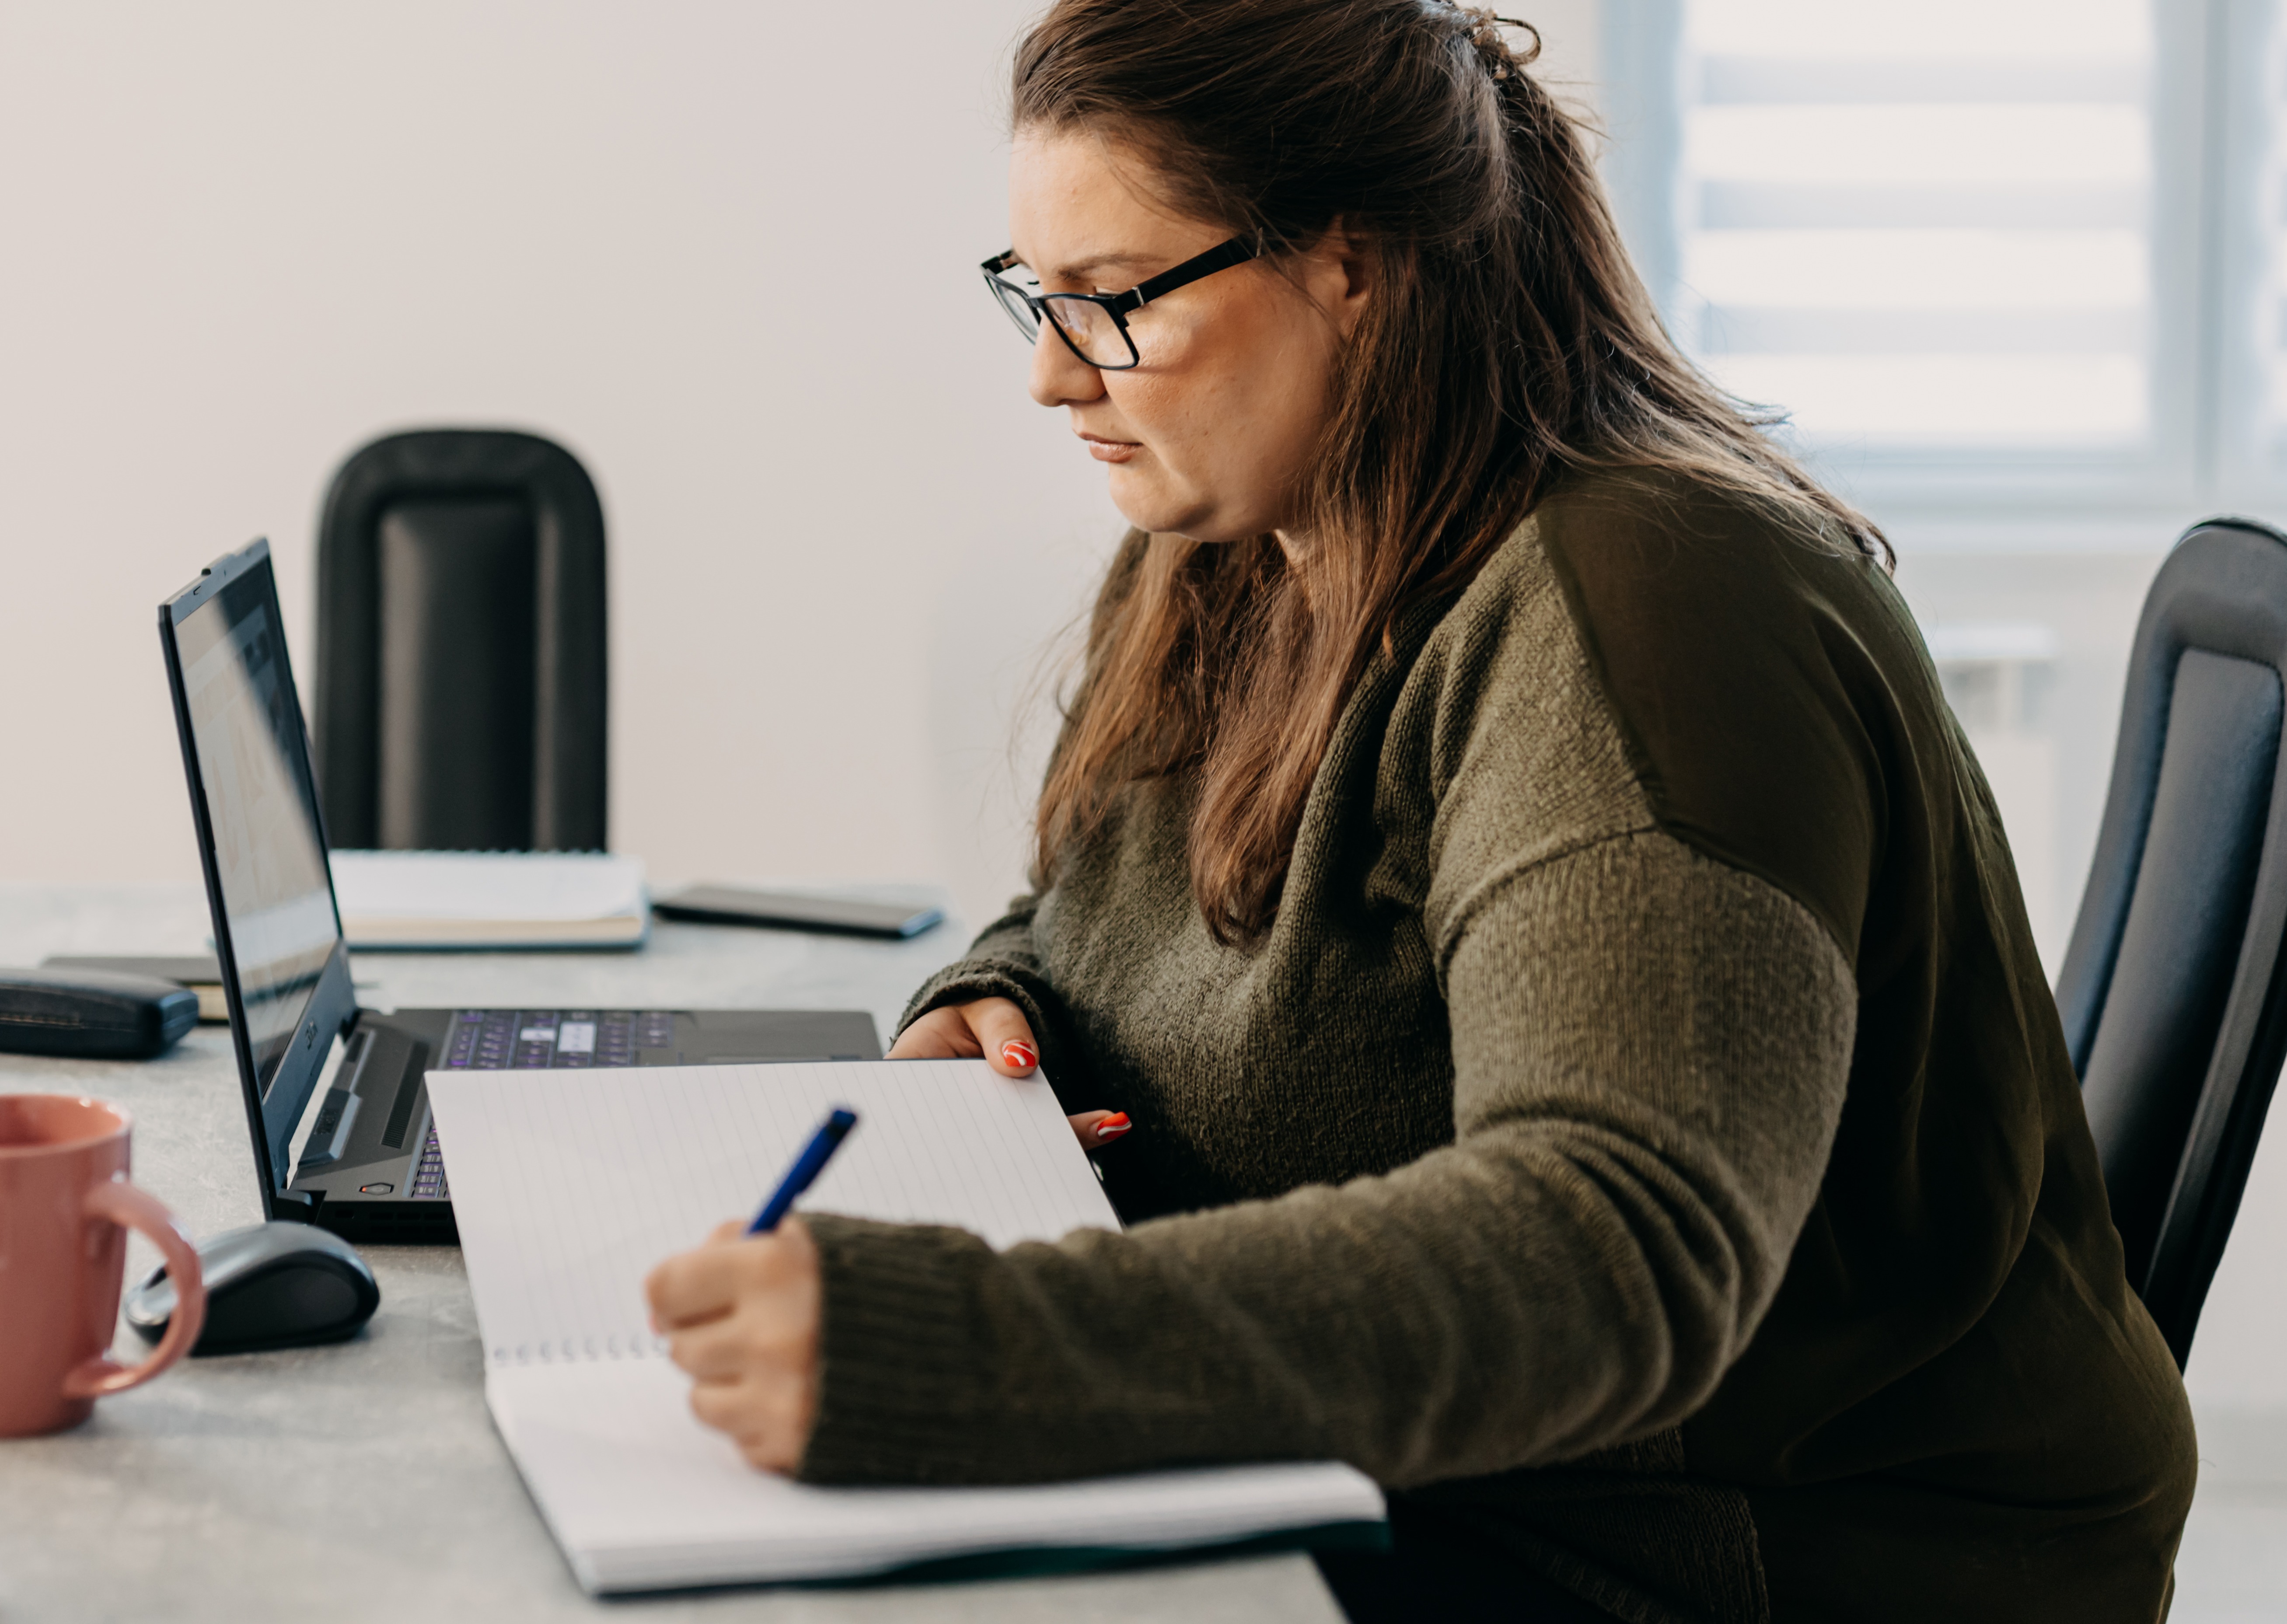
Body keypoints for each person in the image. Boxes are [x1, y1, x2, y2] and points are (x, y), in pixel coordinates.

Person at [640, 0, 2199, 1617]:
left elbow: (1614, 1254)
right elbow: (1092, 912)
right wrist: (1005, 994)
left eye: (1110, 303)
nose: (1050, 375)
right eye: (1036, 296)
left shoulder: (1654, 609)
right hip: (1448, 1473)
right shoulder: (1230, 546)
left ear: (1353, 263)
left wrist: (960, 1350)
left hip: (1725, 1552)